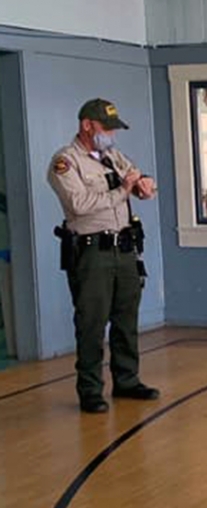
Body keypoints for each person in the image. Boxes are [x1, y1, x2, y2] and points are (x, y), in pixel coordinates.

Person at [47, 98, 160, 414]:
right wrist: (123, 190)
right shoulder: (65, 162)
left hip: (123, 248)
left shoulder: (111, 156)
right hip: (92, 252)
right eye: (105, 128)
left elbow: (133, 178)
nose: (111, 134)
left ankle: (127, 380)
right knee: (91, 322)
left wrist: (144, 184)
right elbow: (80, 204)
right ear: (87, 125)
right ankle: (90, 390)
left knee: (126, 317)